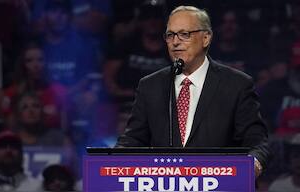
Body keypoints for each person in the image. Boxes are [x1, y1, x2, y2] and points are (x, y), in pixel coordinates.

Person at [115, 5, 270, 178]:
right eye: (170, 35)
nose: (175, 42)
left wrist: (253, 163)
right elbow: (133, 139)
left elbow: (256, 140)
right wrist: (111, 164)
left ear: (206, 38)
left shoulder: (236, 84)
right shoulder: (150, 85)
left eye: (184, 34)